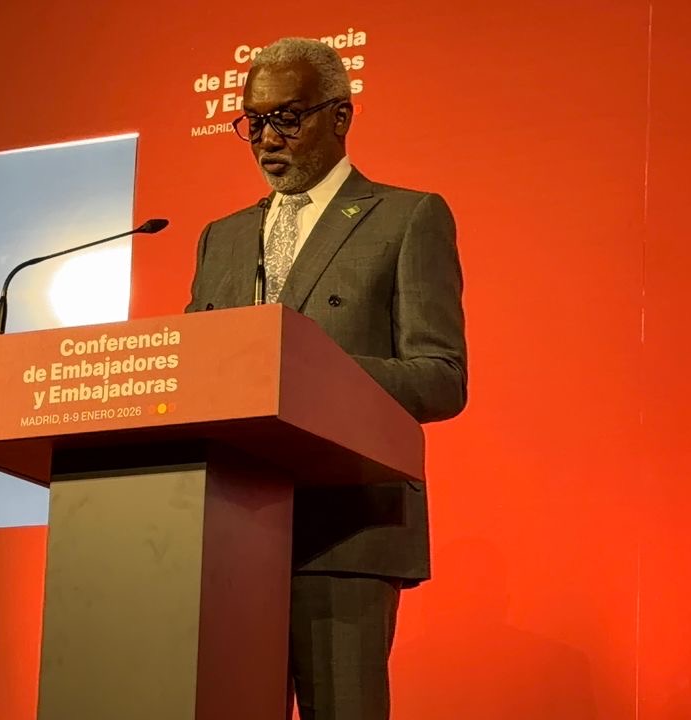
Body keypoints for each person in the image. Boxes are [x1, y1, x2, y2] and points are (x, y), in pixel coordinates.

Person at [185, 36, 468, 720]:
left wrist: (306, 374)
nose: (266, 139)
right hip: (228, 527)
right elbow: (196, 372)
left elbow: (441, 378)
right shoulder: (221, 237)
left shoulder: (406, 217)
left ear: (340, 116)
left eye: (288, 118)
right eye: (254, 121)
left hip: (346, 528)